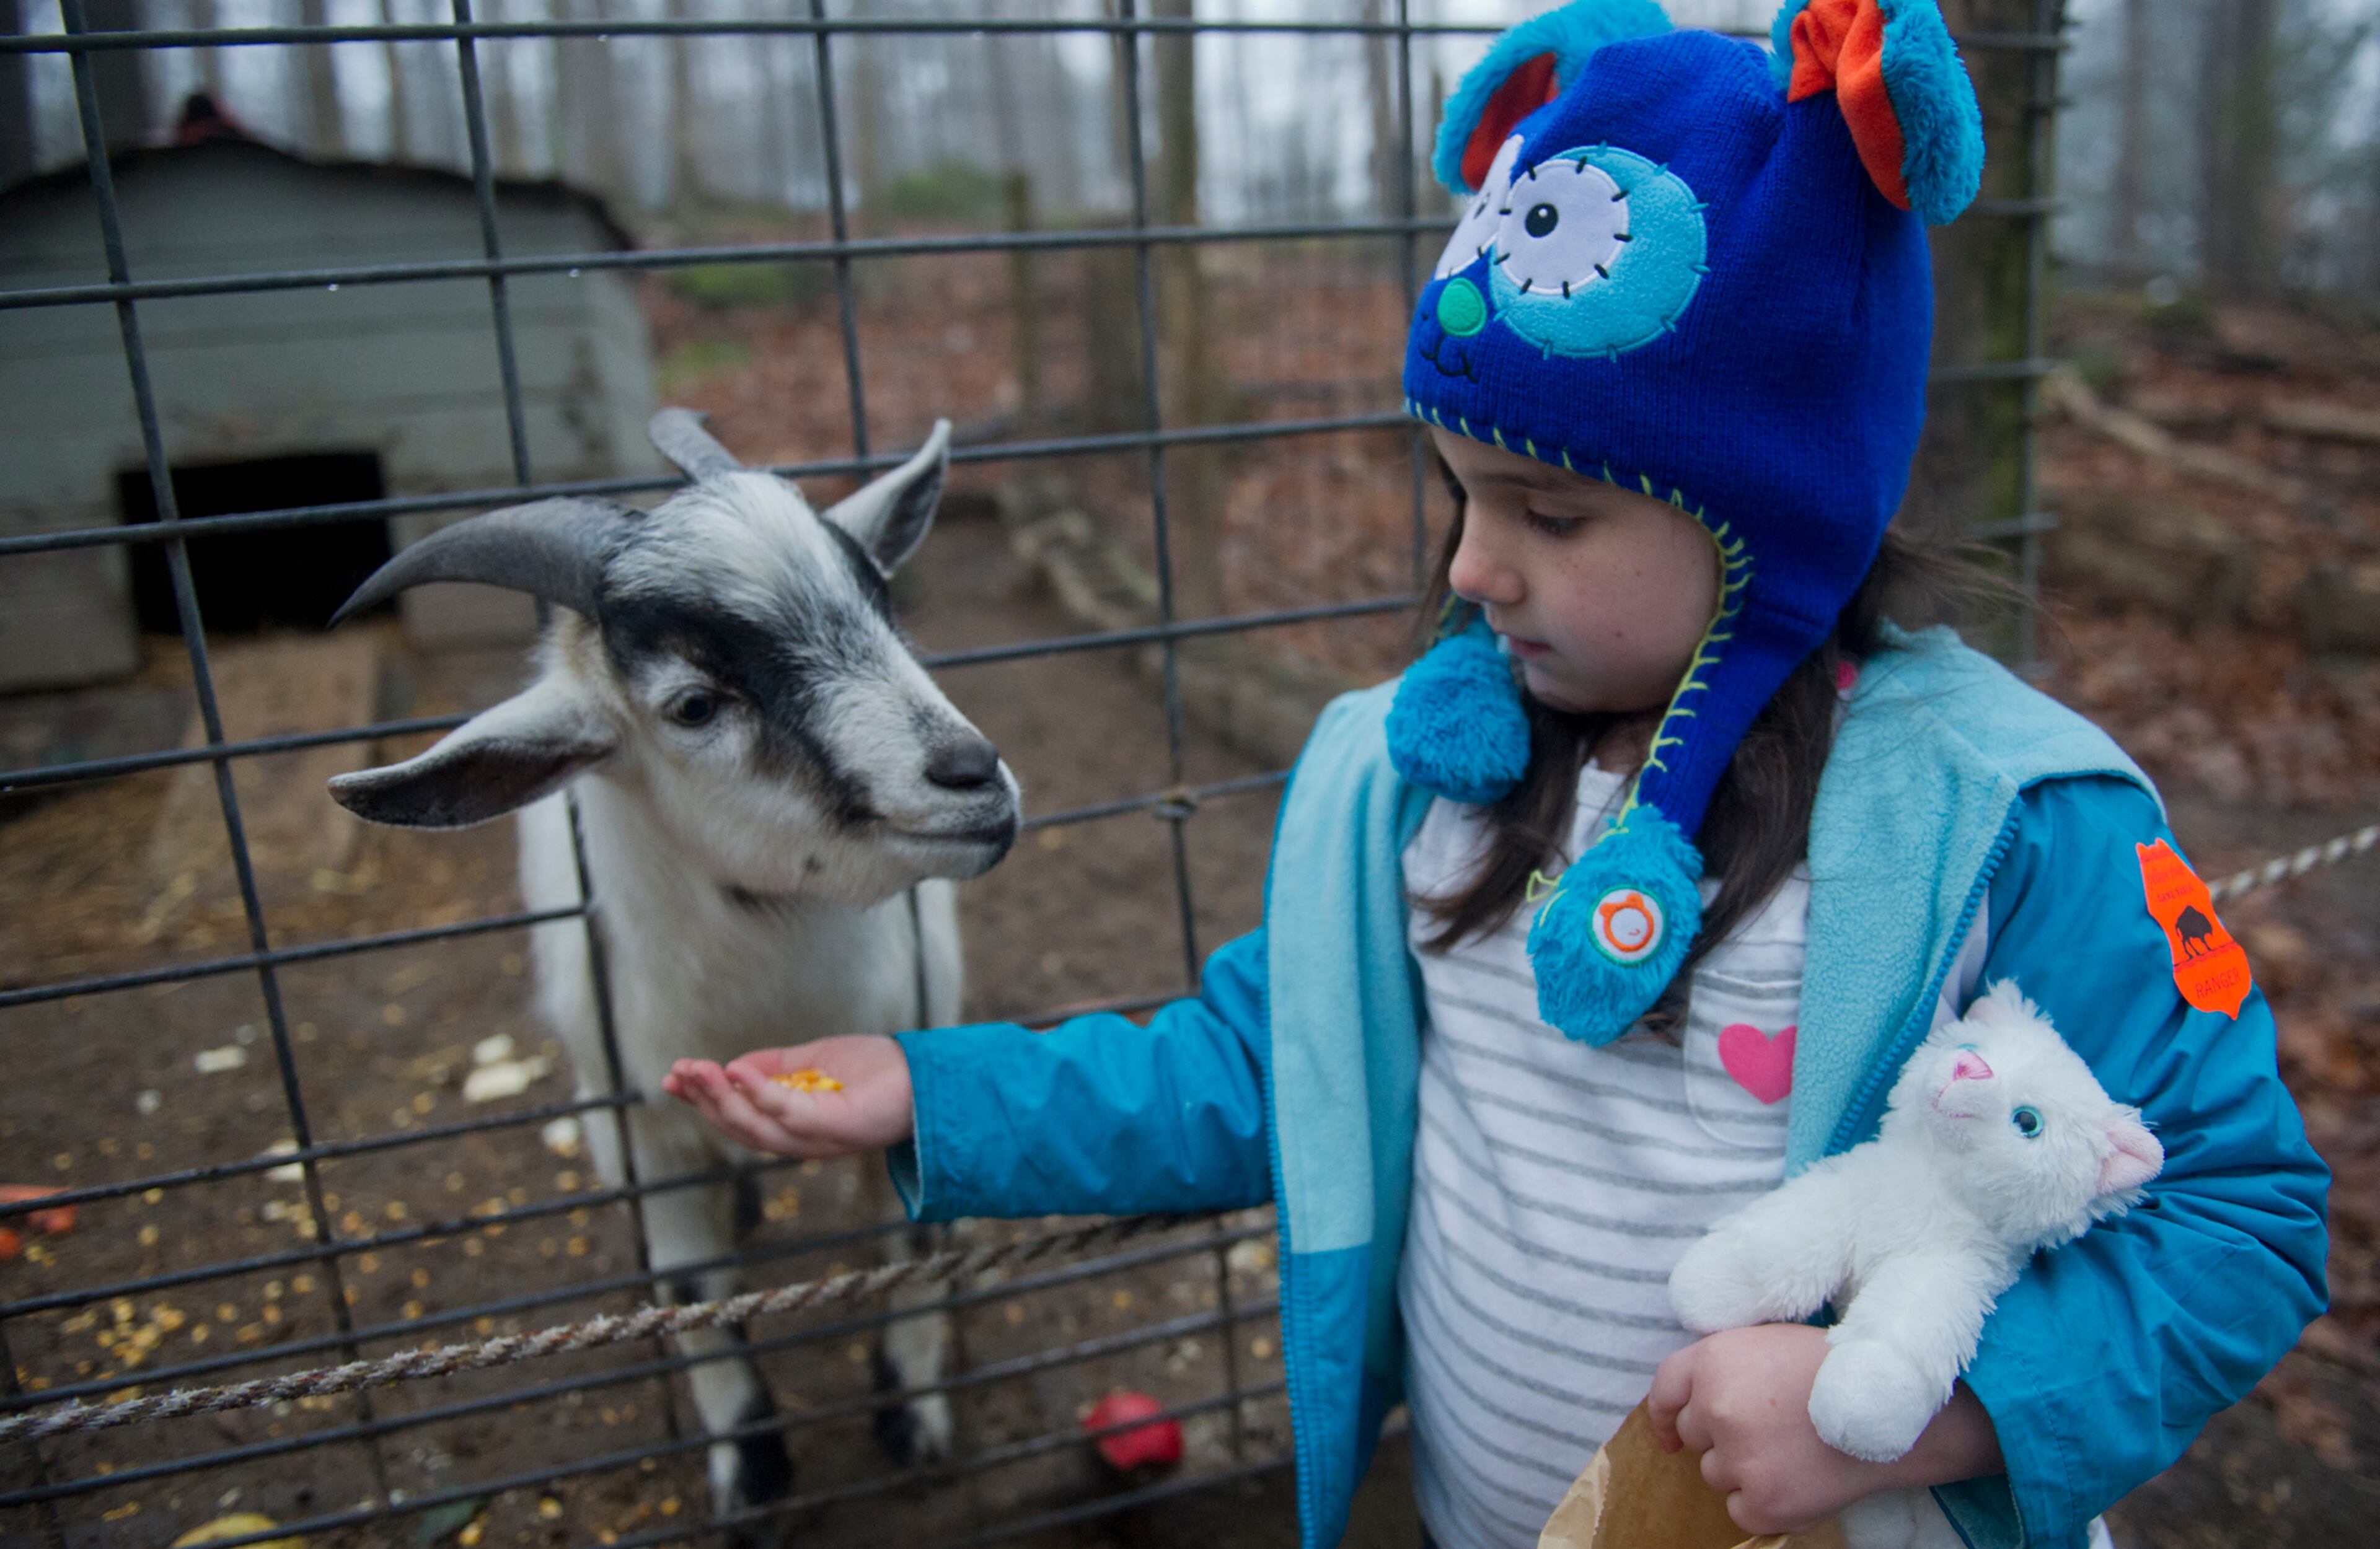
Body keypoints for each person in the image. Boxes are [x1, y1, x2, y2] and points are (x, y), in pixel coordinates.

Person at [664, 4, 2329, 1547]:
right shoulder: (1430, 786)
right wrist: (929, 1092)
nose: (1471, 568)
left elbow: (2238, 1221)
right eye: (1459, 494)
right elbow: (1263, 1069)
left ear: (1776, 509)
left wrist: (1915, 1416)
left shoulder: (2015, 825)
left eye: (1552, 512)